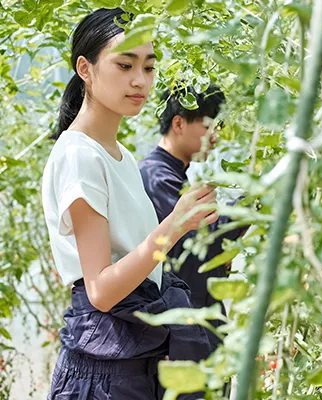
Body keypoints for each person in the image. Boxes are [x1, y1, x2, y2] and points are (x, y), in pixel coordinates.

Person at [42, 8, 219, 399]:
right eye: (124, 65)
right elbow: (101, 290)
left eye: (149, 67)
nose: (140, 81)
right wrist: (175, 225)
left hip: (131, 358)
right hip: (105, 366)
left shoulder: (117, 153)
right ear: (84, 69)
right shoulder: (79, 156)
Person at [139, 85, 247, 350]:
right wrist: (257, 197)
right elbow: (205, 237)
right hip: (184, 332)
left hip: (196, 323)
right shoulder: (156, 178)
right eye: (209, 127)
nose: (215, 138)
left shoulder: (172, 175)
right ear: (179, 123)